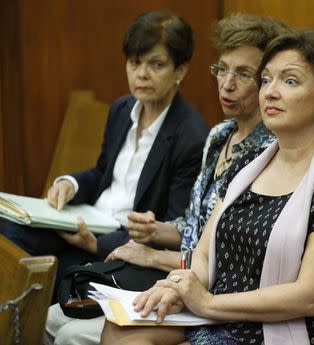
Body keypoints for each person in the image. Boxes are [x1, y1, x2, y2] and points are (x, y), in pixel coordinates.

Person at [100, 28, 314, 345]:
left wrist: (206, 302)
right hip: (226, 316)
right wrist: (177, 284)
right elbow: (204, 255)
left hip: (281, 331)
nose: (270, 92)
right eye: (266, 80)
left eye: (289, 81)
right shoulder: (250, 163)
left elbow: (310, 297)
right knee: (121, 328)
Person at [43, 14, 290, 345]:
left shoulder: (269, 152)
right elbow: (194, 225)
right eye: (222, 69)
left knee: (70, 331)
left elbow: (227, 254)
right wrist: (154, 230)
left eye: (243, 73)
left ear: (266, 81)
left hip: (211, 293)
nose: (227, 84)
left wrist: (154, 255)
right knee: (51, 316)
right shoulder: (219, 136)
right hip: (181, 276)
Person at [0, 10, 209, 285]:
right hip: (85, 219)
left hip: (123, 243)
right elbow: (103, 173)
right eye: (134, 63)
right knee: (7, 230)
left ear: (180, 70)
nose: (142, 74)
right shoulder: (122, 109)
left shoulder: (192, 135)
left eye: (156, 65)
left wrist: (95, 245)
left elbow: (175, 226)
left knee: (60, 275)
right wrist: (70, 184)